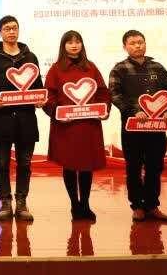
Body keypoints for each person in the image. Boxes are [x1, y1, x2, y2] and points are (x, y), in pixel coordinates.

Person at [0, 15, 46, 221]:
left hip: (26, 119)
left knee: (25, 163)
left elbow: (38, 86)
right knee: (1, 164)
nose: (11, 32)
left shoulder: (30, 57)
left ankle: (22, 202)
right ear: (0, 32)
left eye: (14, 28)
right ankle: (5, 202)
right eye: (7, 28)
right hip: (2, 119)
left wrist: (40, 99)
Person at [43, 30, 111, 221]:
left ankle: (85, 204)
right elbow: (49, 96)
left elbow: (103, 92)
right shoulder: (56, 69)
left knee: (87, 166)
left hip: (88, 125)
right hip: (66, 127)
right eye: (70, 42)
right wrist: (58, 113)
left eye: (77, 41)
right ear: (63, 46)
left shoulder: (91, 67)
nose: (74, 45)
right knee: (70, 166)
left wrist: (104, 108)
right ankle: (75, 205)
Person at [109, 30, 167, 222]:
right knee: (133, 167)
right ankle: (137, 206)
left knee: (155, 166)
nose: (138, 45)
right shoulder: (119, 69)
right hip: (132, 127)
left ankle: (152, 205)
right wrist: (132, 111)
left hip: (156, 126)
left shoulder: (158, 67)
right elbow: (115, 94)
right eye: (133, 43)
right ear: (125, 47)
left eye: (141, 42)